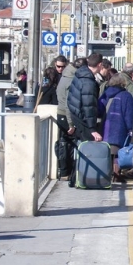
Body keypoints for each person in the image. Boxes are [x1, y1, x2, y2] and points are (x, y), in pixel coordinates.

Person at [98, 73, 133, 184]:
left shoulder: (105, 94)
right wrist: (131, 128)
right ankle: (116, 175)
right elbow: (129, 114)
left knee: (107, 152)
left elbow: (99, 110)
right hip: (119, 128)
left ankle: (106, 175)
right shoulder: (126, 95)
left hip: (105, 127)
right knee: (118, 153)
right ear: (122, 83)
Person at [56, 57, 86, 186]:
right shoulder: (71, 79)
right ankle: (67, 173)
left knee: (64, 143)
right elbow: (69, 103)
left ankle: (64, 173)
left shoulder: (65, 75)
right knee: (67, 145)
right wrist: (71, 123)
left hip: (60, 113)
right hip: (66, 116)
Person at [67, 52, 104, 144]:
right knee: (89, 148)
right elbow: (88, 106)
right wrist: (92, 129)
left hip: (76, 115)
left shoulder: (81, 74)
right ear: (99, 65)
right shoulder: (88, 82)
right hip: (83, 119)